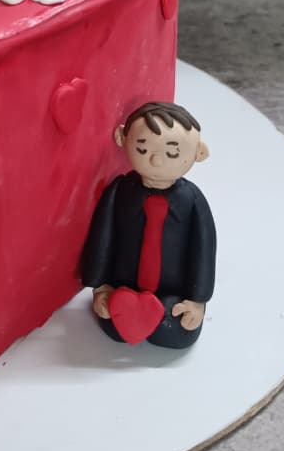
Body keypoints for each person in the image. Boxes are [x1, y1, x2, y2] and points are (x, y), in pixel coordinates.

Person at [82, 101, 216, 349]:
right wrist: (100, 285)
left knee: (172, 329)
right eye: (143, 149)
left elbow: (203, 249)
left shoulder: (192, 201)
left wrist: (198, 300)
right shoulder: (120, 192)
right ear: (122, 138)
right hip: (123, 286)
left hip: (173, 291)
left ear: (199, 152)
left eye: (172, 153)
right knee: (116, 323)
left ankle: (164, 315)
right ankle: (126, 309)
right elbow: (103, 237)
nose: (156, 160)